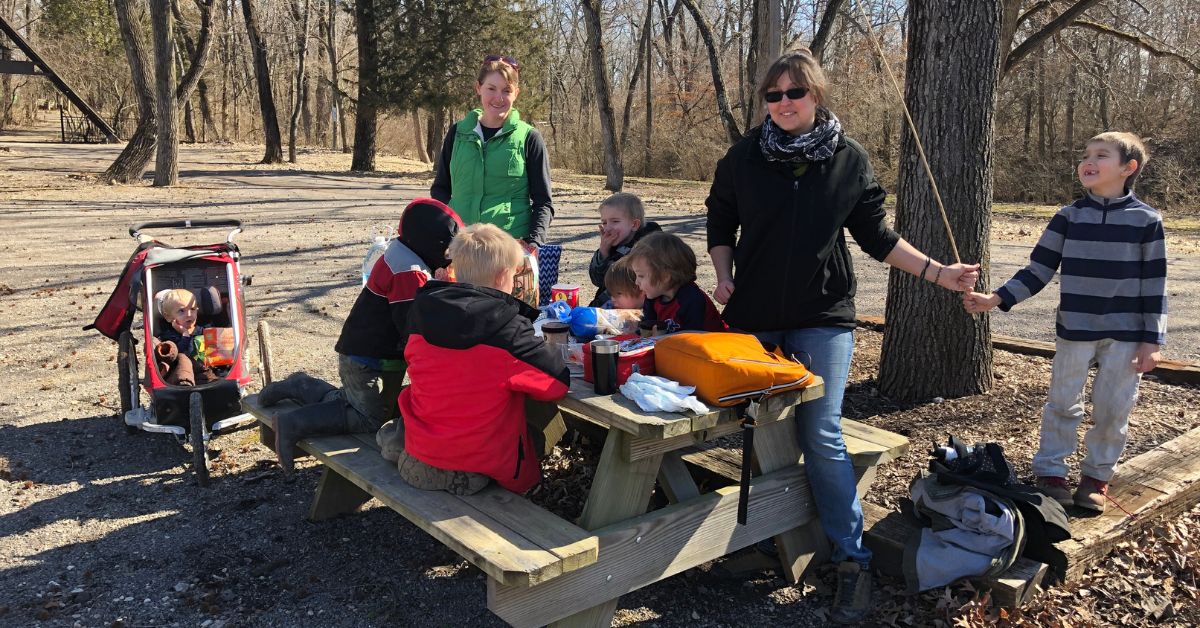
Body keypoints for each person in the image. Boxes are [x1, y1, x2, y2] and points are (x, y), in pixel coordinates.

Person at [704, 49, 979, 623]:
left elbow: (878, 237)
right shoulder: (744, 157)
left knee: (820, 430)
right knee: (752, 428)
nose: (782, 104)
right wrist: (724, 273)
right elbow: (720, 217)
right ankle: (763, 539)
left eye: (794, 93)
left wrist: (939, 274)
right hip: (753, 315)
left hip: (822, 314)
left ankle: (852, 559)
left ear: (816, 96)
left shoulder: (848, 160)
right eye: (773, 96)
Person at [963, 132, 1165, 513]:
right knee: (1062, 404)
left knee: (1113, 407)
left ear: (1128, 168)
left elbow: (1155, 283)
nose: (1088, 161)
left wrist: (1152, 340)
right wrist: (996, 298)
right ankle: (1051, 473)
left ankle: (1096, 478)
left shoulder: (1146, 221)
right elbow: (1038, 269)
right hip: (1075, 329)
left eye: (1101, 155)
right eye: (1085, 154)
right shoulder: (1067, 217)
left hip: (1126, 334)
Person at [257, 198, 463, 479]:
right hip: (369, 360)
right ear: (431, 243)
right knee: (368, 418)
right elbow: (412, 328)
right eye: (448, 250)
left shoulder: (403, 253)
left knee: (357, 402)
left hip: (364, 354)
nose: (449, 257)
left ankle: (301, 385)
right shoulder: (409, 274)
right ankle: (293, 423)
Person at [397, 224, 569, 495]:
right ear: (503, 276)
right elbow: (556, 384)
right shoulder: (507, 328)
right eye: (515, 274)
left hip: (419, 450)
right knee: (532, 413)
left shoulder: (422, 312)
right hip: (474, 467)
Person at [430, 55, 553, 249]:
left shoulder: (529, 137)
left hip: (509, 248)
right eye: (491, 89)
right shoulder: (457, 133)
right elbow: (440, 189)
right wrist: (450, 227)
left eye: (507, 90)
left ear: (516, 93)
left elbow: (543, 202)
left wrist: (534, 243)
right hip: (461, 245)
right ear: (478, 88)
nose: (499, 97)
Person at [625, 232, 726, 333]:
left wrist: (660, 339)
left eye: (641, 276)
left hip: (712, 344)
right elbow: (647, 327)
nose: (636, 282)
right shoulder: (653, 297)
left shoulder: (691, 299)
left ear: (665, 277)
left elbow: (693, 337)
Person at [587, 192, 661, 306]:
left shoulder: (648, 248)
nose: (608, 228)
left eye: (615, 221)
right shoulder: (612, 245)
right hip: (609, 305)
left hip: (635, 308)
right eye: (604, 222)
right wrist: (603, 251)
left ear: (634, 224)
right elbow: (597, 280)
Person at [154, 288, 218, 386]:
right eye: (181, 311)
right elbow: (177, 355)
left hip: (205, 373)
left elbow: (215, 353)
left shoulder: (203, 330)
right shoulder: (169, 335)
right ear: (168, 317)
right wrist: (185, 335)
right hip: (180, 375)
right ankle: (186, 385)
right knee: (183, 358)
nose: (189, 315)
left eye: (192, 309)